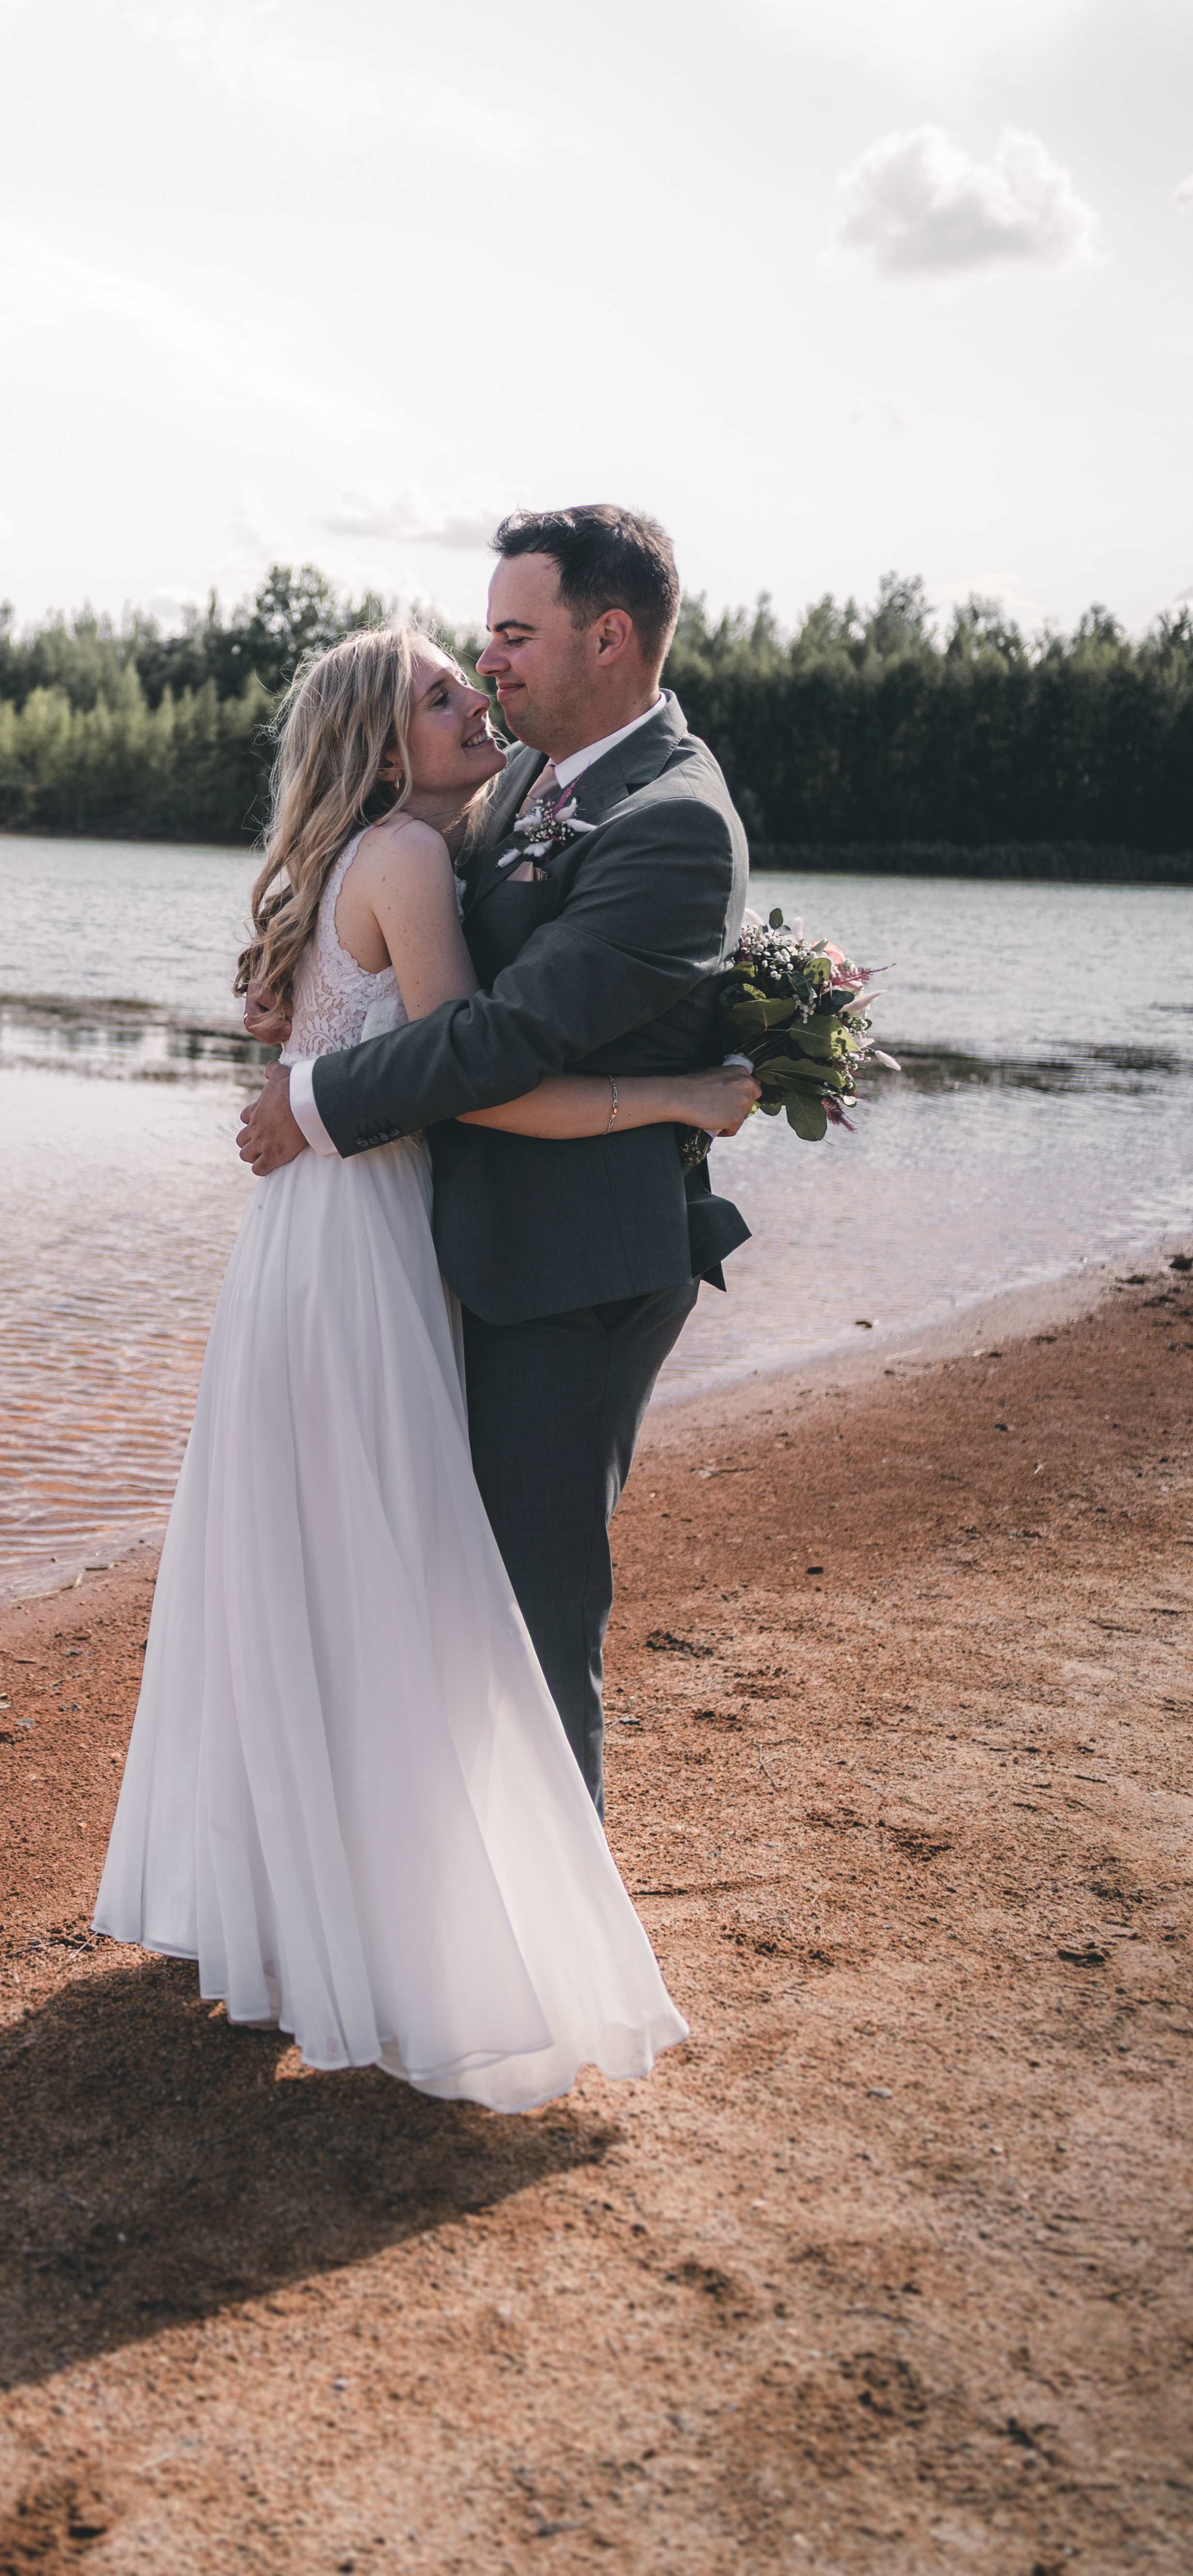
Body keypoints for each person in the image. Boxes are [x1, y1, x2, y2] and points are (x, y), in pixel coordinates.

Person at [93, 612, 757, 2110]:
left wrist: (309, 1087)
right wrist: (685, 1100)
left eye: (482, 674)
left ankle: (302, 1903)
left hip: (317, 1246)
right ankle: (426, 1932)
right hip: (368, 1240)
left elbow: (379, 1045)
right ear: (384, 745)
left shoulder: (412, 848)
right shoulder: (403, 856)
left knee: (324, 1571)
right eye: (447, 692)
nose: (480, 698)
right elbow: (481, 1084)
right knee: (400, 1576)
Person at [237, 505, 752, 1814]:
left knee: (532, 1604)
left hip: (570, 1269)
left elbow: (508, 1038)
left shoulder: (672, 821)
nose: (493, 670)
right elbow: (399, 930)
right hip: (448, 1249)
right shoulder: (519, 775)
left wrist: (319, 1092)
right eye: (480, 649)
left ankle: (550, 1953)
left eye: (516, 638)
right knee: (436, 1588)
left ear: (612, 635)